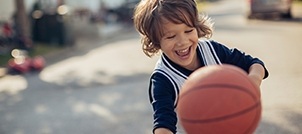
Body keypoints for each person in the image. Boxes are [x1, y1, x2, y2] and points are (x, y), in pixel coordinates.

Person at [133, 0, 269, 133]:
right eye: (171, 36)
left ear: (197, 27)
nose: (182, 42)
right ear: (156, 41)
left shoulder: (212, 50)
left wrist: (252, 83)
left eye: (188, 31)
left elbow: (255, 64)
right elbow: (163, 124)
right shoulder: (163, 79)